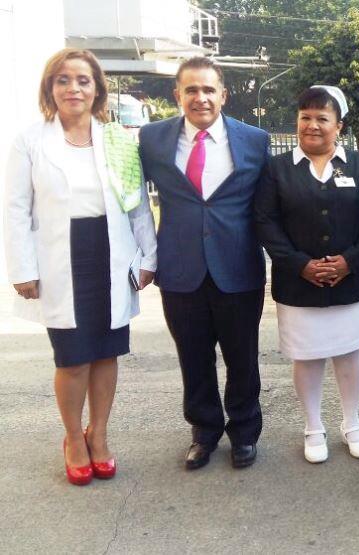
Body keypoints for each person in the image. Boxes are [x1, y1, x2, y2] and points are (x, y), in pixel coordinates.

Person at [4, 48, 157, 485]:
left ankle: (99, 434)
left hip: (111, 252)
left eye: (83, 80)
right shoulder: (30, 141)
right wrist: (22, 268)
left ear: (97, 89)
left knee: (107, 353)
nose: (74, 88)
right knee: (73, 358)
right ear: (50, 88)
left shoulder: (116, 139)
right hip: (60, 257)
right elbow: (15, 208)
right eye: (64, 80)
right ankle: (73, 437)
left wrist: (149, 256)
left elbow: (136, 204)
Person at [138, 57, 271, 470]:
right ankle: (204, 432)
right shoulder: (152, 139)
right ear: (177, 94)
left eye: (209, 89)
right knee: (193, 358)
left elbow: (270, 205)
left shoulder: (255, 140)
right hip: (180, 268)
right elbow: (132, 201)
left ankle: (244, 433)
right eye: (191, 90)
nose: (201, 98)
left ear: (223, 95)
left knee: (242, 358)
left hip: (238, 267)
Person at [255, 86, 359, 463]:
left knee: (348, 353)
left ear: (339, 126)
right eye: (305, 117)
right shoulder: (277, 169)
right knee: (308, 356)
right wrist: (300, 264)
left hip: (352, 281)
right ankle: (313, 427)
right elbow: (265, 222)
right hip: (298, 283)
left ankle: (352, 423)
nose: (312, 125)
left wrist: (350, 261)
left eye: (322, 118)